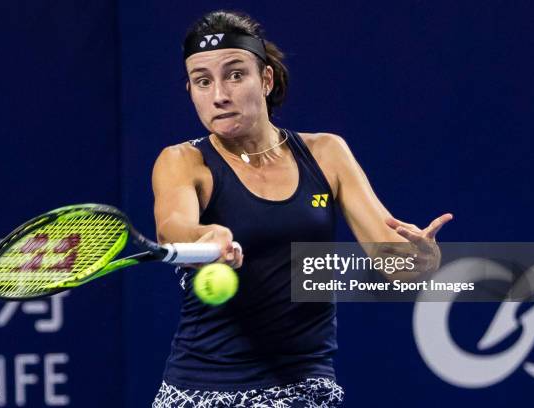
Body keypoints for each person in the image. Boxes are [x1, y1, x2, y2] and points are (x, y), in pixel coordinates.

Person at [151, 10, 452, 407]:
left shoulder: (327, 153)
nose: (219, 94)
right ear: (190, 90)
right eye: (203, 81)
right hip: (203, 389)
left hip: (304, 388)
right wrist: (204, 237)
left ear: (266, 79)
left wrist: (423, 258)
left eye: (235, 74)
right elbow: (172, 228)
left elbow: (395, 265)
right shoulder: (183, 161)